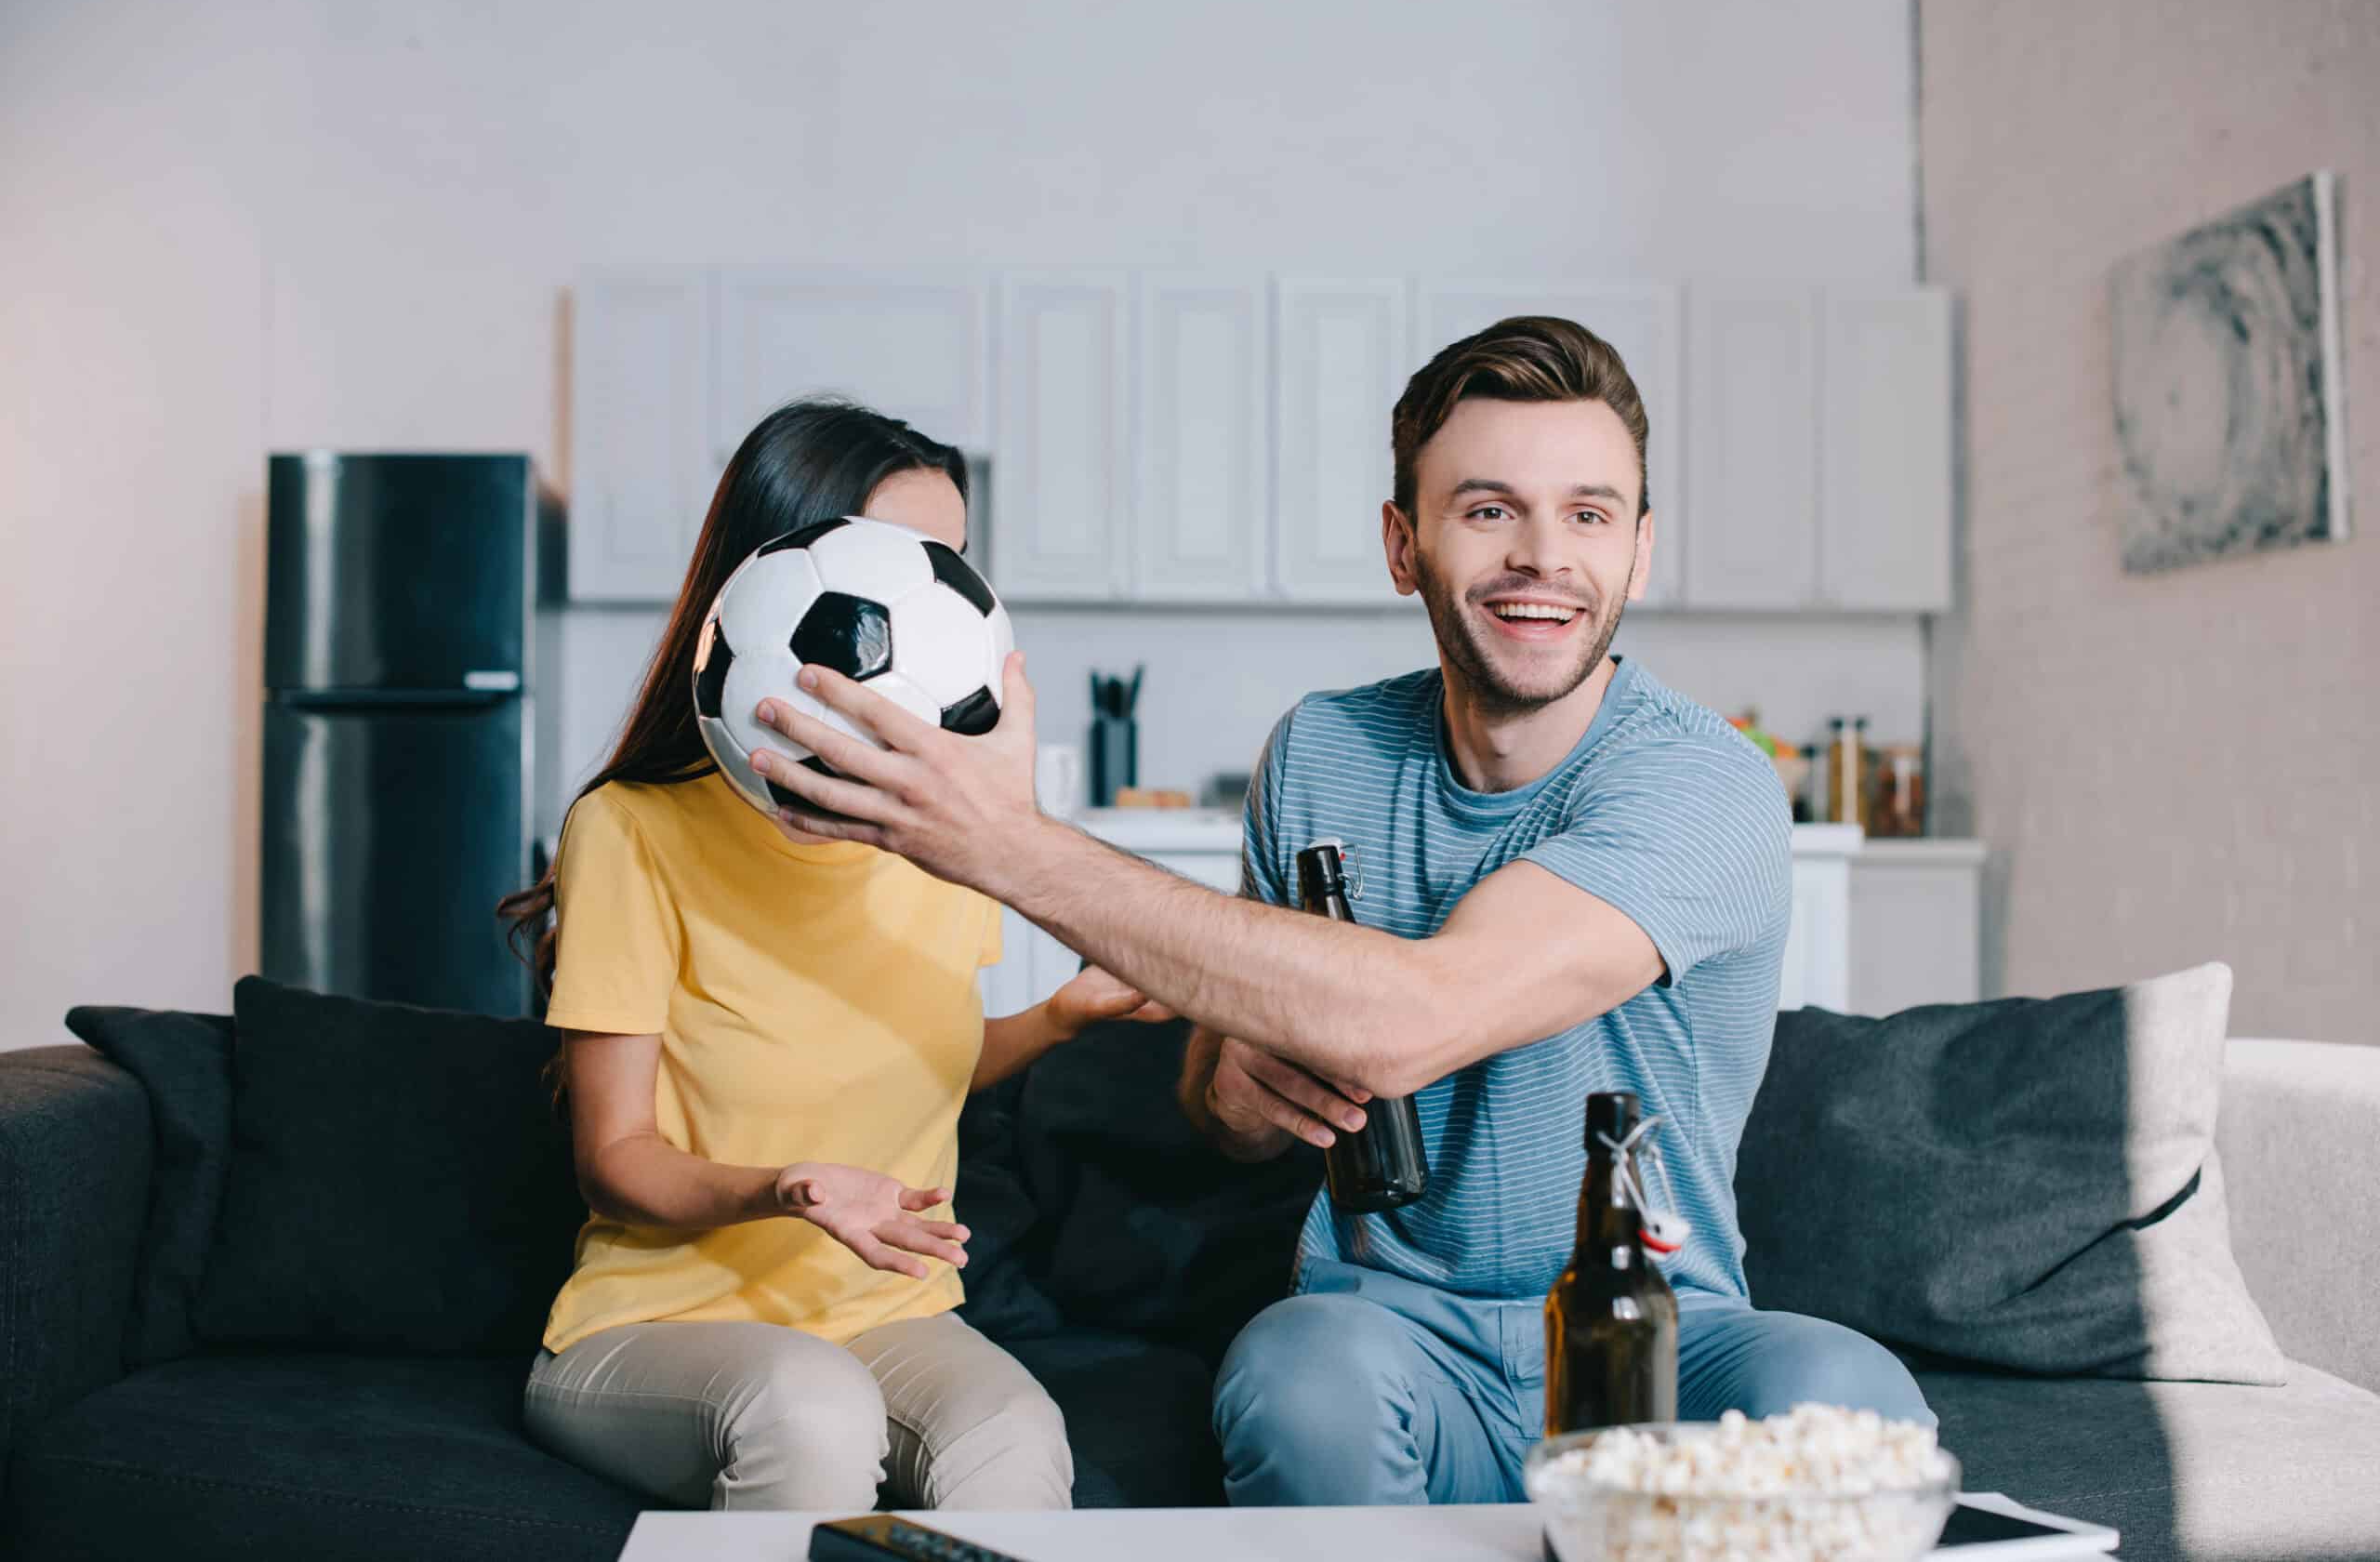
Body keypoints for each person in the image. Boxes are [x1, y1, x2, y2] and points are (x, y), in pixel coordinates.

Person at [733, 318, 1935, 1506]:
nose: (1542, 556)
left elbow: (1418, 1014)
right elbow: (1223, 1098)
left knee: (1857, 1397)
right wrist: (1238, 1093)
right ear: (1403, 544)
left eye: (1588, 513)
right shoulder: (1323, 751)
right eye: (1488, 509)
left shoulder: (1705, 783)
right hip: (1396, 1339)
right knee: (1295, 1375)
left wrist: (1006, 844)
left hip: (1660, 1338)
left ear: (1639, 550)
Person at [497, 399, 1164, 1513]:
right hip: (658, 1323)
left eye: (949, 560)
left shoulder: (949, 844)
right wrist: (787, 1186)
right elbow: (613, 1152)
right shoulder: (632, 827)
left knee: (1016, 1439)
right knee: (810, 1412)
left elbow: (908, 1054)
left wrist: (1057, 1020)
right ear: (776, 577)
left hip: (886, 1312)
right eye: (901, 555)